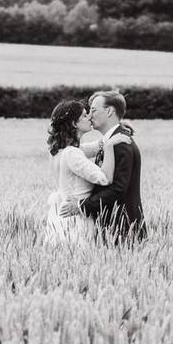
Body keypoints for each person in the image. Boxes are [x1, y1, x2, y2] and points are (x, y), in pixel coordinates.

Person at [60, 90, 147, 244]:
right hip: (112, 229)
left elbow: (118, 189)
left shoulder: (121, 144)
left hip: (123, 230)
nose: (90, 115)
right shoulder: (111, 141)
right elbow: (71, 152)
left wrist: (80, 206)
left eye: (93, 110)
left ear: (109, 111)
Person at [44, 100, 130, 246]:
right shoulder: (72, 154)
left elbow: (94, 147)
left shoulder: (60, 150)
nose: (89, 117)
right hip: (77, 220)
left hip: (62, 217)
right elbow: (105, 178)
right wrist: (109, 146)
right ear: (74, 124)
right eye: (84, 116)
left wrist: (116, 130)